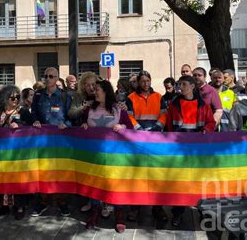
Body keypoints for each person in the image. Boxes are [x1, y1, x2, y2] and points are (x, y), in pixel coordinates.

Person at [81, 80, 132, 233]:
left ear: (106, 92)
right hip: (94, 154)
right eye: (94, 89)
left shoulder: (118, 109)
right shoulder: (89, 109)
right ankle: (95, 212)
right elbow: (83, 123)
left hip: (115, 155)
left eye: (97, 90)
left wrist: (121, 126)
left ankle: (119, 214)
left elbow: (129, 127)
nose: (94, 92)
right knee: (95, 182)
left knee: (115, 183)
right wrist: (83, 125)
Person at [165, 75, 216, 227]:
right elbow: (169, 125)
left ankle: (202, 212)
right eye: (180, 84)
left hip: (197, 150)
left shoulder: (203, 104)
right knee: (180, 182)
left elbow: (211, 122)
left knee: (199, 181)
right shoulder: (175, 103)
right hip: (179, 149)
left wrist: (206, 129)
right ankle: (178, 212)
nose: (181, 86)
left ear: (193, 86)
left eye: (184, 84)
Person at [126, 70, 168, 223]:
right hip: (137, 140)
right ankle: (135, 208)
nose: (145, 84)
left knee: (156, 174)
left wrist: (157, 127)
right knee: (138, 175)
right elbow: (128, 116)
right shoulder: (130, 98)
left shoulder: (159, 97)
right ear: (138, 82)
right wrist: (139, 129)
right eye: (142, 81)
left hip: (155, 139)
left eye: (147, 81)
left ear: (150, 81)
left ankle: (157, 208)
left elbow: (164, 114)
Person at [30, 67, 72, 217]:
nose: (48, 78)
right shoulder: (38, 95)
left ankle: (62, 202)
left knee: (60, 170)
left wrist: (66, 124)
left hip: (60, 140)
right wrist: (34, 120)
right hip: (42, 140)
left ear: (57, 78)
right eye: (46, 76)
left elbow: (71, 116)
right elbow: (33, 112)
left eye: (51, 76)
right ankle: (43, 201)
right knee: (43, 170)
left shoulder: (65, 96)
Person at [0, 85, 32, 220]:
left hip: (18, 152)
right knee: (1, 177)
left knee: (18, 178)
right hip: (1, 151)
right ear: (4, 98)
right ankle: (3, 205)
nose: (15, 99)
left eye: (18, 97)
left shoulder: (24, 111)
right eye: (12, 97)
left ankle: (20, 206)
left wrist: (20, 126)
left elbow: (32, 127)